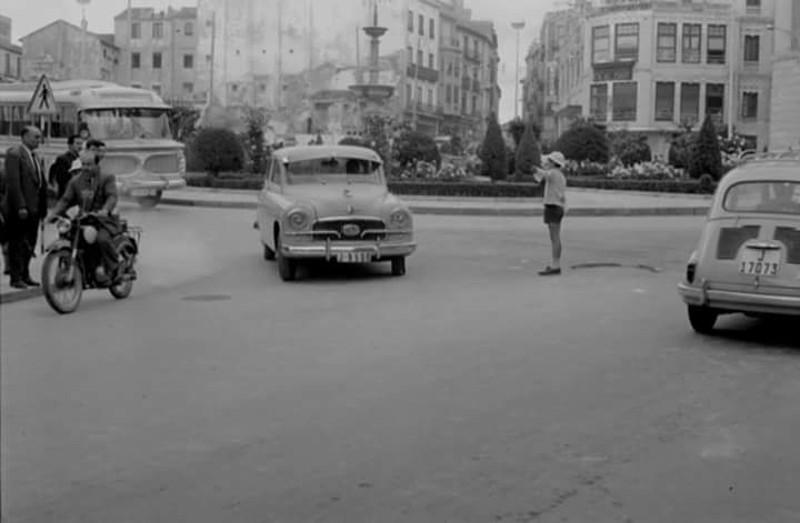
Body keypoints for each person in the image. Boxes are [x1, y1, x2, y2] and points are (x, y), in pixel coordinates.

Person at [47, 142, 122, 285]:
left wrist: (105, 210)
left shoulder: (107, 178)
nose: (86, 168)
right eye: (83, 165)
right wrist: (52, 214)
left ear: (96, 164)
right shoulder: (75, 181)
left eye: (89, 165)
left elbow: (112, 196)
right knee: (67, 234)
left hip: (103, 221)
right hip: (84, 219)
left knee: (102, 239)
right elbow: (65, 200)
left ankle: (114, 269)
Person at [4, 126, 47, 289]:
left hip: (34, 209)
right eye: (35, 137)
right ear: (24, 137)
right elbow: (14, 184)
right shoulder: (15, 154)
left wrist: (43, 207)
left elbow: (40, 183)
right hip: (20, 210)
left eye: (39, 137)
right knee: (17, 243)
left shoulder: (34, 156)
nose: (38, 140)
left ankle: (25, 274)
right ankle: (16, 277)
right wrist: (21, 205)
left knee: (30, 243)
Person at [533, 151, 568, 276]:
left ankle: (555, 266)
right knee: (556, 237)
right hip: (558, 207)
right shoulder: (561, 176)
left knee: (554, 238)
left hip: (552, 207)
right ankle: (556, 264)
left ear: (554, 163)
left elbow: (543, 174)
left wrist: (533, 168)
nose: (547, 162)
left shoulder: (553, 174)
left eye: (550, 161)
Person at [48, 134, 84, 199]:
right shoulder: (63, 159)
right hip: (66, 193)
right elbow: (61, 179)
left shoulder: (81, 158)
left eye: (81, 144)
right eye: (77, 143)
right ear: (70, 145)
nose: (80, 146)